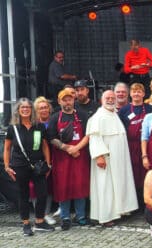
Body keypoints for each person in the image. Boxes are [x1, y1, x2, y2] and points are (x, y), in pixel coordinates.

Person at [86, 90, 139, 226]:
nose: (110, 100)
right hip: (106, 158)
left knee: (118, 184)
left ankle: (119, 211)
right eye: (107, 98)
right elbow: (95, 138)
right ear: (101, 100)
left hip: (119, 157)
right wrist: (99, 156)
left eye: (112, 98)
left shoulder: (114, 114)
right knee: (106, 186)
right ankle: (106, 216)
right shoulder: (98, 116)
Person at [3, 98, 55, 235]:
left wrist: (48, 164)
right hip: (19, 165)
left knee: (42, 194)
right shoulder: (13, 128)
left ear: (32, 110)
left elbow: (44, 146)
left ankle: (39, 221)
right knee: (23, 195)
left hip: (38, 165)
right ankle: (26, 223)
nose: (25, 110)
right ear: (18, 110)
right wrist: (7, 166)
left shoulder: (39, 126)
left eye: (28, 107)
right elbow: (7, 148)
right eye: (22, 107)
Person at [47, 89, 90, 231]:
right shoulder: (54, 118)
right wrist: (67, 148)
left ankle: (81, 216)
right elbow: (51, 137)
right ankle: (65, 217)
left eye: (70, 99)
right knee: (62, 186)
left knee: (80, 185)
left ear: (73, 100)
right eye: (64, 99)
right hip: (62, 158)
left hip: (80, 156)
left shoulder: (82, 115)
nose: (67, 102)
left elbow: (88, 134)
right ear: (59, 101)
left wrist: (76, 148)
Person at [119, 83, 152, 204]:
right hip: (131, 146)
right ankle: (135, 203)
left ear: (144, 94)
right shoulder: (124, 110)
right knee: (133, 174)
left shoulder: (150, 108)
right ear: (130, 94)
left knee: (147, 173)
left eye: (139, 91)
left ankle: (147, 202)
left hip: (147, 146)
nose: (136, 94)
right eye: (134, 91)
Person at [31, 96, 56, 225]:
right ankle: (39, 214)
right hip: (37, 159)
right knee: (36, 187)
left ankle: (46, 212)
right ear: (36, 110)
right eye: (41, 108)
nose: (44, 110)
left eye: (46, 107)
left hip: (53, 157)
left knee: (50, 187)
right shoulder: (33, 124)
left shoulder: (54, 121)